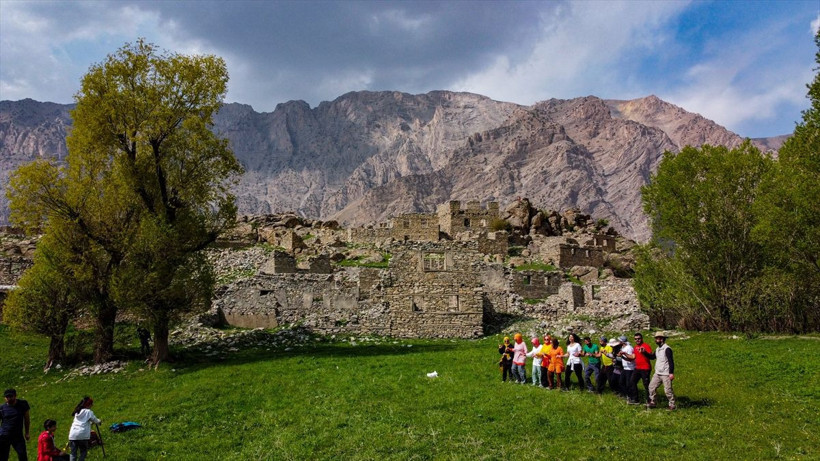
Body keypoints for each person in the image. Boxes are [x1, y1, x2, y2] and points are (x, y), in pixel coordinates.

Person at [647, 331, 676, 411]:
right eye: (656, 338)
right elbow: (652, 357)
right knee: (651, 387)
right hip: (658, 373)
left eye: (657, 338)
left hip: (666, 373)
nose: (656, 340)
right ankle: (653, 402)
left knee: (668, 390)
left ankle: (672, 405)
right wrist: (644, 353)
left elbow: (671, 361)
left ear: (662, 339)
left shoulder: (667, 349)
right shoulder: (658, 349)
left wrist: (671, 373)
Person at [1, 388, 30, 461]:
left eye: (11, 396)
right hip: (4, 436)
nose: (9, 399)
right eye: (7, 397)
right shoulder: (2, 408)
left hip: (17, 435)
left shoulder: (22, 404)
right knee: (3, 456)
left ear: (15, 396)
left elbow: (27, 419)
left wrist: (27, 432)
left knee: (22, 455)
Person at [631, 332, 653, 404]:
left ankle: (650, 400)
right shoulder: (635, 347)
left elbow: (650, 355)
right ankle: (635, 399)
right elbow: (633, 357)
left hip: (645, 368)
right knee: (632, 382)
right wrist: (624, 355)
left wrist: (644, 352)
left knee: (646, 385)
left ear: (642, 339)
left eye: (639, 339)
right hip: (637, 368)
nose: (637, 340)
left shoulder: (646, 346)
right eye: (636, 339)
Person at [616, 336, 638, 404]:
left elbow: (631, 359)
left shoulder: (629, 348)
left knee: (629, 384)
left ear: (622, 341)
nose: (618, 342)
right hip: (625, 367)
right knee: (621, 382)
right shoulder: (623, 347)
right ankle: (627, 395)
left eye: (619, 340)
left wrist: (623, 355)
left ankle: (633, 397)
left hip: (630, 368)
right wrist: (620, 356)